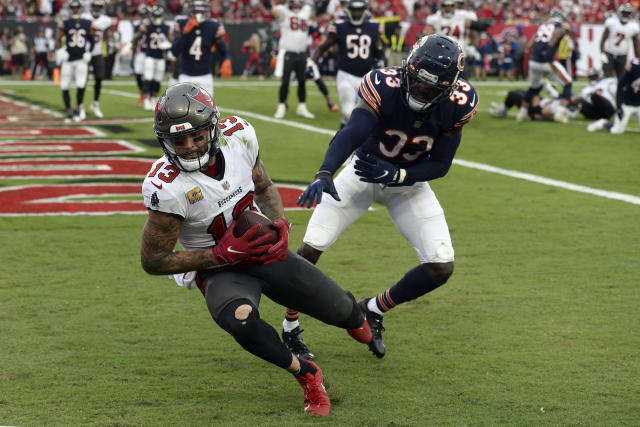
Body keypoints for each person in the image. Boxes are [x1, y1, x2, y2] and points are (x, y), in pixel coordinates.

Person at [140, 82, 373, 416]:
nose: (189, 147)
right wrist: (219, 256)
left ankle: (357, 316)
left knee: (343, 311)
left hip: (263, 250)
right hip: (219, 269)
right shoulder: (166, 188)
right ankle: (306, 375)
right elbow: (153, 260)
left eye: (197, 137)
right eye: (179, 140)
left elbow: (263, 186)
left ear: (214, 128)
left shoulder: (240, 138)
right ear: (166, 141)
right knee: (240, 320)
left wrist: (279, 224)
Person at [294, 35, 478, 359]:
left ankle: (374, 308)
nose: (421, 92)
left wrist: (401, 175)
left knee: (441, 266)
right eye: (418, 83)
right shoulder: (383, 84)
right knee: (310, 248)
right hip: (361, 174)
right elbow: (352, 132)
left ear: (448, 88)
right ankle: (290, 328)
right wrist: (325, 171)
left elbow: (440, 164)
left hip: (408, 185)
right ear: (408, 69)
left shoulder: (459, 104)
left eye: (431, 89)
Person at [309, 0, 383, 127]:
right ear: (349, 10)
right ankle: (344, 136)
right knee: (348, 112)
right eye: (354, 10)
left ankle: (350, 136)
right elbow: (323, 47)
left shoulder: (373, 26)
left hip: (366, 77)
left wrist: (380, 62)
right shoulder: (340, 26)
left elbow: (378, 49)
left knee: (363, 115)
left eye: (359, 10)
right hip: (346, 75)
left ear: (364, 10)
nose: (357, 13)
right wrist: (311, 62)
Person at [516, 10, 572, 122]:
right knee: (567, 83)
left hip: (534, 61)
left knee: (534, 88)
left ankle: (522, 113)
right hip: (546, 61)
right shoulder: (560, 25)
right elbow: (559, 32)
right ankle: (560, 112)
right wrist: (549, 49)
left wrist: (536, 54)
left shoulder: (543, 25)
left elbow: (529, 45)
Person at [266, 0, 315, 119]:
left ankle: (302, 106)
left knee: (302, 81)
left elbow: (316, 12)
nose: (297, 4)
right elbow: (274, 12)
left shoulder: (306, 10)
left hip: (302, 52)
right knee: (285, 80)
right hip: (288, 52)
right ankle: (282, 105)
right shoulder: (283, 10)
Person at [171, 0, 230, 97]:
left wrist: (227, 60)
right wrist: (185, 33)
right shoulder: (181, 23)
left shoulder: (213, 26)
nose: (197, 14)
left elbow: (224, 51)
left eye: (200, 11)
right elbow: (174, 52)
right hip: (186, 75)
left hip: (205, 75)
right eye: (195, 11)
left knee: (207, 109)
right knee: (185, 109)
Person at [56, 0, 94, 123]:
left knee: (80, 85)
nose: (75, 10)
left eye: (77, 8)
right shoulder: (65, 23)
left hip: (81, 59)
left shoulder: (88, 23)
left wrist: (89, 51)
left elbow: (93, 40)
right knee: (65, 86)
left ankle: (77, 109)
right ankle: (68, 112)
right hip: (68, 59)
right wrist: (61, 50)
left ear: (81, 9)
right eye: (73, 8)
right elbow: (58, 40)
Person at [134, 4, 171, 111]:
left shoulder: (166, 27)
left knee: (158, 79)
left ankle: (153, 99)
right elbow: (136, 37)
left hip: (160, 57)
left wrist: (168, 45)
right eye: (155, 16)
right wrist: (134, 44)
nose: (157, 18)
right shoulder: (147, 27)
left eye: (159, 16)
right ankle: (146, 99)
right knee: (148, 78)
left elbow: (171, 40)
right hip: (149, 56)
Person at [587, 59, 640, 134]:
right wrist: (619, 106)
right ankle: (604, 123)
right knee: (616, 131)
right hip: (628, 105)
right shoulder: (634, 66)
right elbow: (621, 85)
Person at [83, 0, 113, 118]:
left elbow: (106, 34)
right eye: (95, 6)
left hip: (98, 51)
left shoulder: (106, 20)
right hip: (85, 51)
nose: (96, 8)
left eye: (98, 6)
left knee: (99, 78)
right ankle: (80, 105)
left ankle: (95, 103)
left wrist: (108, 44)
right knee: (82, 80)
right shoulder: (84, 17)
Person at [599, 3, 639, 79]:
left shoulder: (633, 27)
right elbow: (603, 39)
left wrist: (637, 57)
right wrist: (602, 53)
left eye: (627, 13)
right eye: (624, 13)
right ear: (619, 13)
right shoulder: (612, 22)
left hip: (622, 56)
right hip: (609, 54)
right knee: (605, 77)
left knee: (621, 79)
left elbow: (635, 44)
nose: (625, 15)